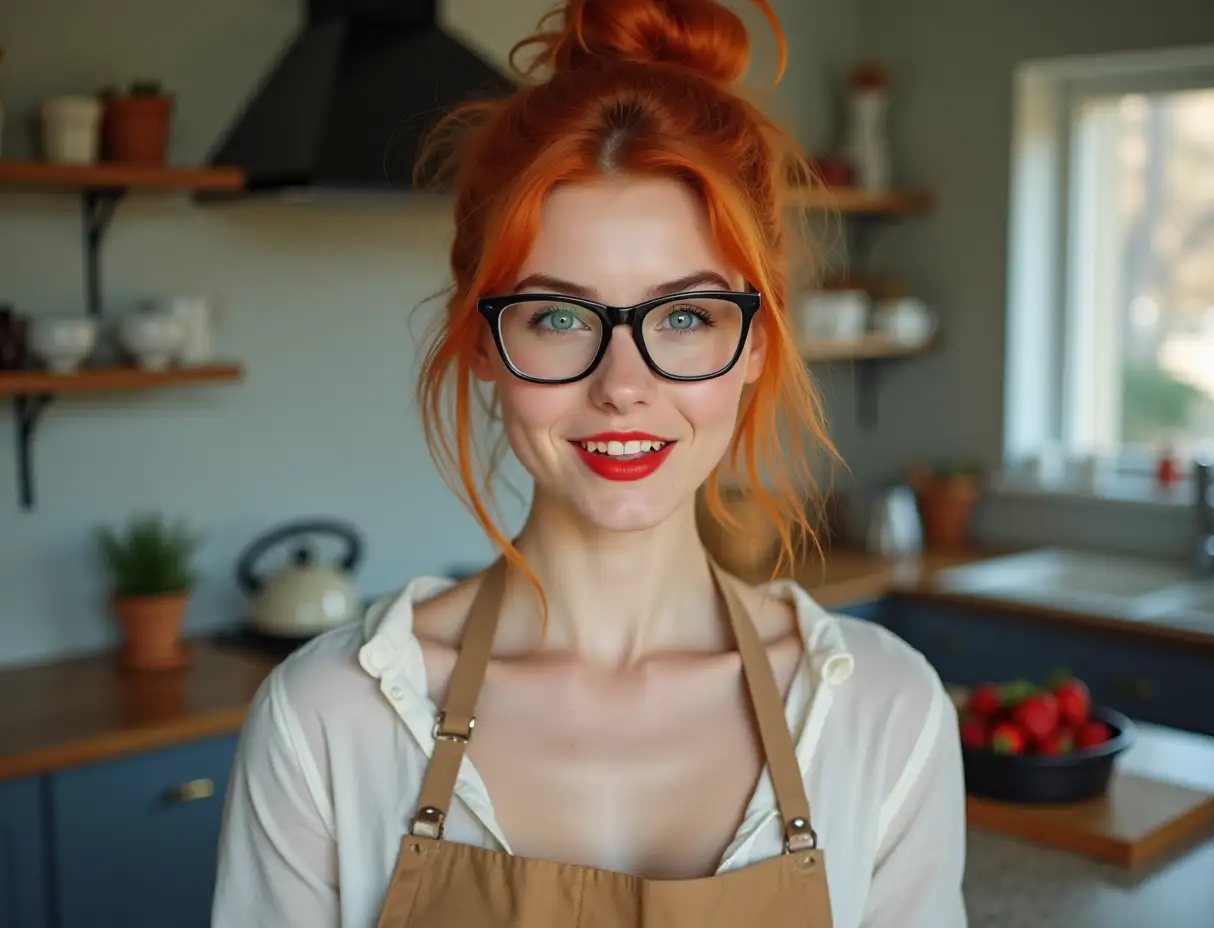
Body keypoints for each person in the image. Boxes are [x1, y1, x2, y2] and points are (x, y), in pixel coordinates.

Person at [210, 0, 967, 925]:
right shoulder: (329, 720)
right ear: (483, 343)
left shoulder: (883, 715)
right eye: (559, 316)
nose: (622, 385)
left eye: (684, 317)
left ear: (759, 338)